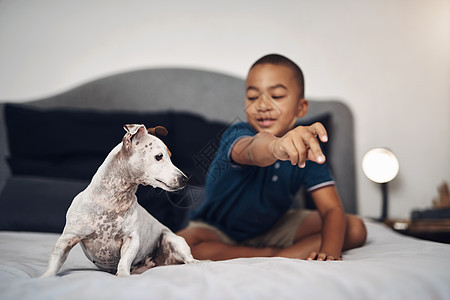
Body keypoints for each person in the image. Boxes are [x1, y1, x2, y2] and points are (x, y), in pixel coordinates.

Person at [177, 54, 366, 261]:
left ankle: (278, 255)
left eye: (276, 96)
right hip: (218, 230)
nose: (262, 105)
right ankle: (275, 256)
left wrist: (330, 252)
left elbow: (330, 208)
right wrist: (277, 147)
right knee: (181, 244)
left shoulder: (308, 146)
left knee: (355, 228)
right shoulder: (237, 134)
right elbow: (252, 149)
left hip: (274, 225)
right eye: (252, 97)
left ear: (301, 107)